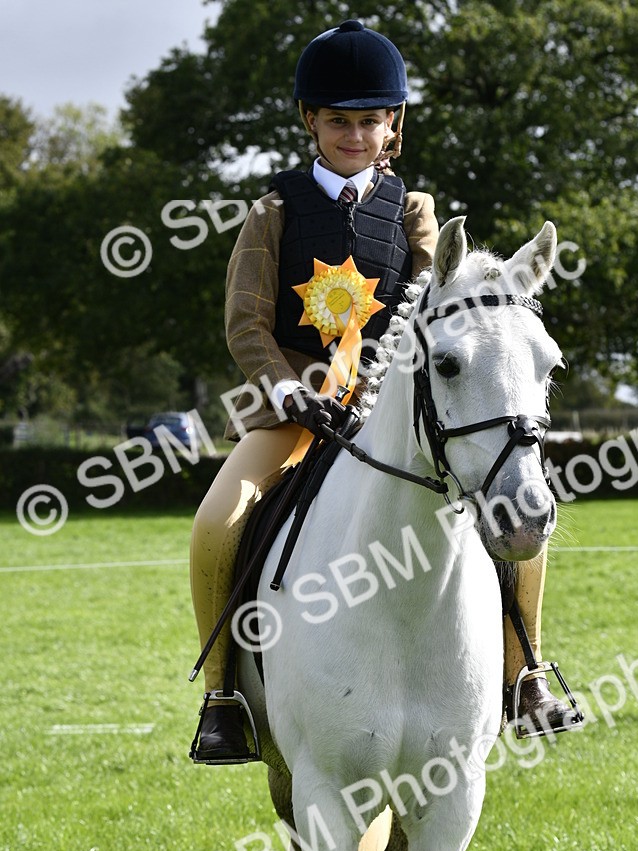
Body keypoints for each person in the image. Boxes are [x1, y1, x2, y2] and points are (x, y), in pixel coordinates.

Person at [189, 19, 573, 762]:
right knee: (218, 518)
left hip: (387, 413)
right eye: (339, 121)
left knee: (514, 512)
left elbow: (432, 303)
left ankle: (525, 674)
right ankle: (224, 694)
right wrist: (290, 391)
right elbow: (245, 326)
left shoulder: (413, 211)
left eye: (370, 120)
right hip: (293, 416)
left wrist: (380, 386)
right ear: (311, 121)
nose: (355, 135)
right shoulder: (272, 212)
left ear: (392, 123)